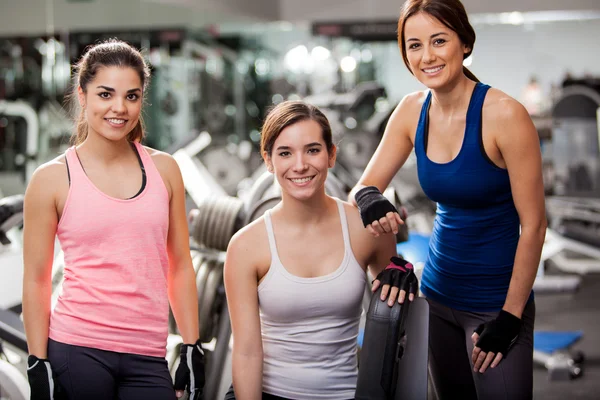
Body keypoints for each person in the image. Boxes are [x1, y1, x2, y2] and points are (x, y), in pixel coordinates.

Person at [349, 1, 547, 399]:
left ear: (465, 43)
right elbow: (362, 187)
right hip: (437, 299)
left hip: (496, 305)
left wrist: (510, 316)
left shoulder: (506, 115)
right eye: (414, 45)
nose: (427, 56)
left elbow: (535, 225)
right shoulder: (410, 111)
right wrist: (371, 200)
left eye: (439, 41)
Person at [22, 39, 204, 400]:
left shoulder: (165, 170)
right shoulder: (51, 178)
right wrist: (37, 360)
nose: (119, 108)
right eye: (106, 94)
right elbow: (37, 279)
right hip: (77, 348)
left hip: (148, 353)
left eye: (131, 96)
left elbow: (180, 266)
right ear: (83, 94)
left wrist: (191, 345)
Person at [223, 100, 418, 400]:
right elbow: (247, 352)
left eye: (313, 150)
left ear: (331, 155)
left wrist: (403, 274)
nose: (300, 165)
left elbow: (394, 319)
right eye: (285, 153)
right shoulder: (246, 245)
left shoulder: (365, 230)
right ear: (268, 160)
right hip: (268, 393)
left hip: (345, 394)